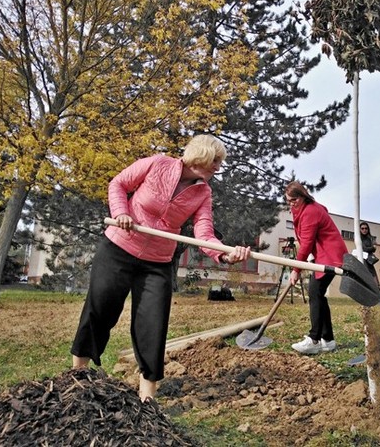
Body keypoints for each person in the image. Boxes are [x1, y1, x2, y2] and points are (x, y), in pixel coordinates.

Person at [71, 135, 251, 401]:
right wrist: (122, 212)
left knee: (153, 324)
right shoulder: (158, 164)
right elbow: (118, 184)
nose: (218, 167)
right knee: (100, 309)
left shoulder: (203, 192)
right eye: (216, 160)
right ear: (200, 154)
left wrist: (225, 255)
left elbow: (203, 232)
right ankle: (77, 378)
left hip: (156, 262)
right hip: (118, 248)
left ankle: (148, 399)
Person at [285, 181, 348, 355]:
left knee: (315, 292)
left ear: (303, 196)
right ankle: (327, 340)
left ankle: (314, 339)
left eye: (294, 200)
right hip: (323, 255)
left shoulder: (311, 211)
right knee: (318, 294)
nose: (291, 204)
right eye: (288, 201)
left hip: (330, 256)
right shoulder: (307, 209)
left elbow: (305, 244)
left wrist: (296, 269)